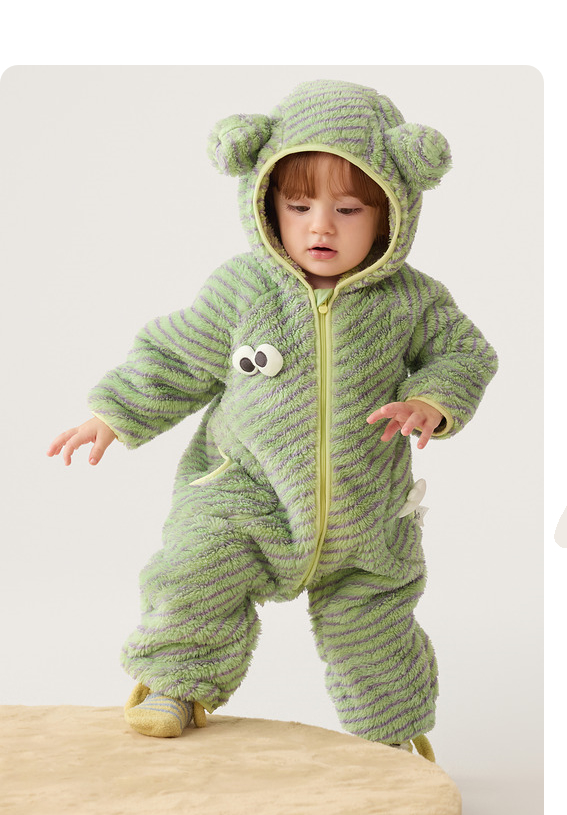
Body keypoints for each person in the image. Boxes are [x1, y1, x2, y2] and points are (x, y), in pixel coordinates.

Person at [47, 80, 498, 756]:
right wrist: (114, 412)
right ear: (266, 203)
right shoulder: (243, 289)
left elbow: (465, 354)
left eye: (348, 209)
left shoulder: (412, 300)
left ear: (392, 211)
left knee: (376, 625)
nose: (321, 226)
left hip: (365, 508)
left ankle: (393, 735)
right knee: (195, 570)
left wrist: (432, 401)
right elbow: (177, 354)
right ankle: (175, 684)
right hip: (245, 490)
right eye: (299, 206)